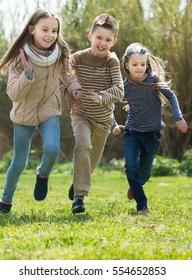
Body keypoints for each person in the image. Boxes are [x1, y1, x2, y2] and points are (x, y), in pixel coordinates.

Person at [0, 8, 81, 214]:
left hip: (49, 107)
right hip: (25, 112)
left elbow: (67, 74)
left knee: (52, 150)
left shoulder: (58, 52)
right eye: (45, 30)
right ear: (32, 29)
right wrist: (28, 72)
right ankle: (5, 201)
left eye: (54, 30)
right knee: (19, 162)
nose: (50, 35)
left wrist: (75, 89)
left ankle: (43, 174)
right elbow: (14, 94)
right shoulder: (21, 56)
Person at [112, 43, 188, 214]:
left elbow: (172, 96)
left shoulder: (153, 81)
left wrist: (178, 117)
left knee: (143, 174)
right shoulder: (124, 86)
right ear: (126, 65)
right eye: (134, 64)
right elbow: (108, 104)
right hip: (132, 132)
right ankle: (142, 205)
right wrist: (113, 125)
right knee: (131, 167)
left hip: (152, 135)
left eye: (142, 64)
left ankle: (136, 185)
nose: (139, 68)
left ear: (147, 64)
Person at [67, 14, 124, 214]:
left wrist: (102, 96)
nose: (102, 43)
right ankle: (79, 197)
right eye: (99, 38)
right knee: (82, 145)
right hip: (81, 114)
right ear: (90, 36)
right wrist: (71, 92)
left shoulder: (112, 61)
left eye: (108, 40)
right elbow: (64, 76)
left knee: (92, 161)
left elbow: (119, 90)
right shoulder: (77, 58)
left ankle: (78, 182)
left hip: (103, 120)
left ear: (114, 42)